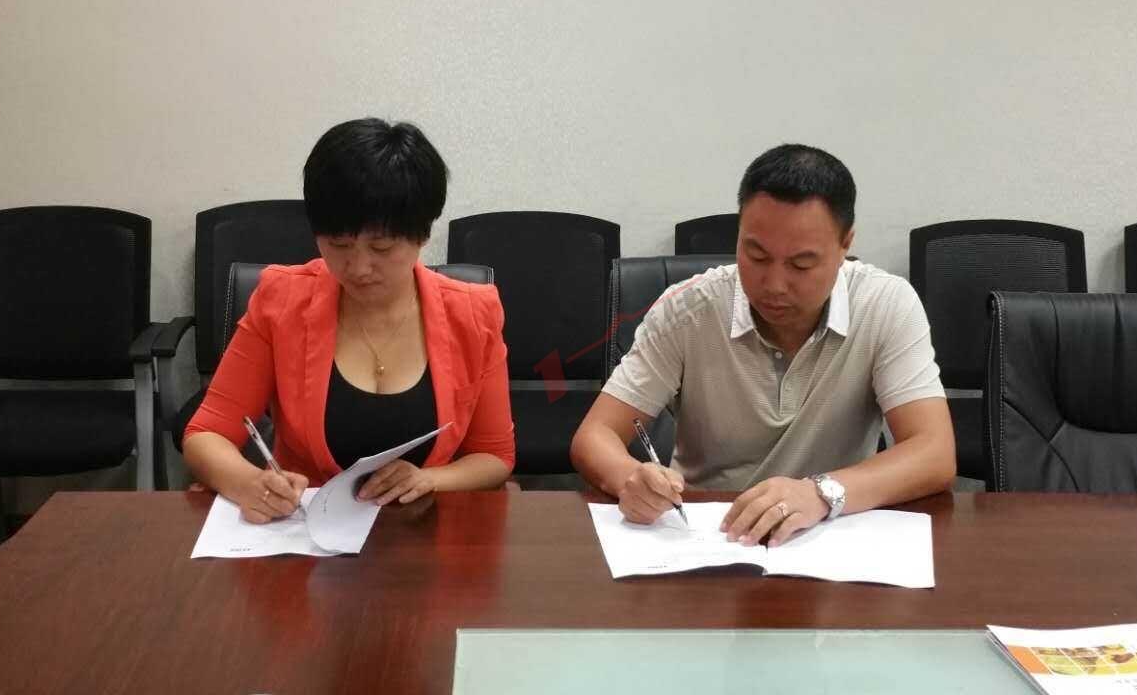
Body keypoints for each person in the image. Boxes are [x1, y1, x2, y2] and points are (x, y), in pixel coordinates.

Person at [570, 144, 954, 546]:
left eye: (801, 264)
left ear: (845, 244)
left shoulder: (885, 305)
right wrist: (631, 479)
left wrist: (820, 493)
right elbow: (595, 434)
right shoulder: (687, 311)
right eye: (756, 255)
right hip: (708, 539)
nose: (774, 285)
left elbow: (934, 452)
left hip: (833, 537)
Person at [184, 118, 515, 524]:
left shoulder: (474, 313)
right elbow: (207, 433)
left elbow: (494, 455)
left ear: (422, 234)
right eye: (338, 245)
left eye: (382, 247)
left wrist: (431, 479)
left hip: (424, 534)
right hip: (306, 533)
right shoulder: (281, 301)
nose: (358, 268)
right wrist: (250, 482)